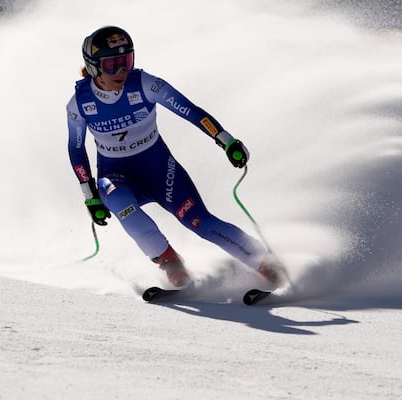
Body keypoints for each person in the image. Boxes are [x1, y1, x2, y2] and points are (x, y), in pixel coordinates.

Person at [66, 26, 282, 288]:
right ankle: (170, 262)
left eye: (127, 61)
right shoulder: (79, 103)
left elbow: (191, 111)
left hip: (160, 171)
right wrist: (90, 197)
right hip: (117, 177)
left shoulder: (145, 84)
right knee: (118, 200)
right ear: (94, 67)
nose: (122, 71)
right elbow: (76, 149)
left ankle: (265, 262)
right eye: (113, 65)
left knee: (199, 222)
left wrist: (225, 140)